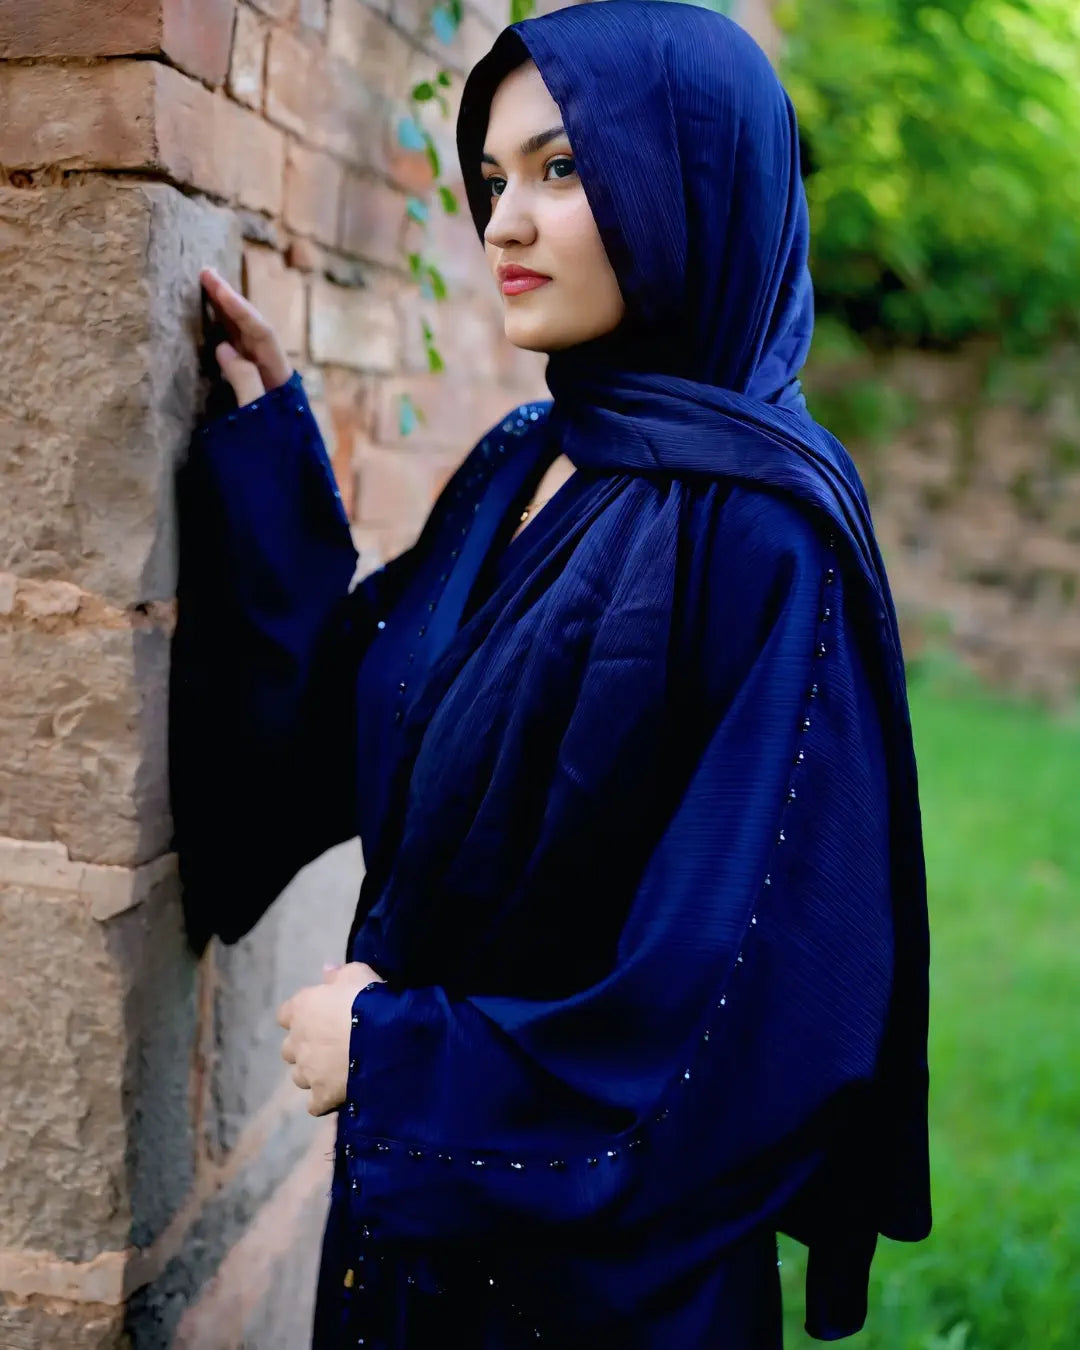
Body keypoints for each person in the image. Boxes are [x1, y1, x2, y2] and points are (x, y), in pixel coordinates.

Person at [170, 2, 931, 1345]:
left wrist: (405, 1059)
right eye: (493, 177)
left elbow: (749, 1010)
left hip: (601, 1286)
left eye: (563, 168)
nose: (504, 222)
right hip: (409, 1242)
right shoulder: (522, 460)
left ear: (692, 182)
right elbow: (356, 711)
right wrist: (272, 465)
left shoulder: (768, 536)